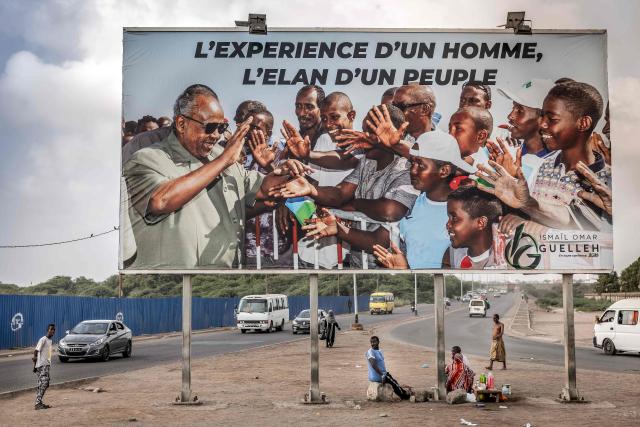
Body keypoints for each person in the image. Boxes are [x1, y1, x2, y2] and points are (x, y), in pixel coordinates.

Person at [123, 84, 309, 269]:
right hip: (170, 286)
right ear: (181, 124)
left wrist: (284, 172)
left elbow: (262, 187)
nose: (215, 135)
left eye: (221, 128)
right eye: (210, 127)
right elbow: (161, 201)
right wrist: (223, 161)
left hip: (224, 280)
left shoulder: (223, 157)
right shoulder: (146, 159)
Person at [476, 81, 611, 232]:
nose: (542, 125)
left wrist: (530, 222)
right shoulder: (542, 166)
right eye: (543, 117)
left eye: (552, 119)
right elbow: (542, 214)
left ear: (583, 123)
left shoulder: (607, 180)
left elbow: (583, 231)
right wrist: (524, 208)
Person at [373, 131, 475, 269]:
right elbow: (379, 239)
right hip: (415, 287)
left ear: (444, 171)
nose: (413, 171)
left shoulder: (466, 210)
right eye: (412, 163)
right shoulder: (413, 202)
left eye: (421, 165)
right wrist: (339, 229)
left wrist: (408, 273)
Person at [441, 186, 505, 269]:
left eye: (454, 218)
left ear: (481, 223)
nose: (448, 224)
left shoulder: (507, 253)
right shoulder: (451, 254)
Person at [496, 78, 555, 158]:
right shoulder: (508, 151)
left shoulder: (562, 162)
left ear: (543, 119)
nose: (510, 116)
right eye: (513, 108)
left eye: (519, 111)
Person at [33, 324, 55, 410]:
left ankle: (39, 402)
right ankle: (38, 403)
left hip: (46, 365)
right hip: (41, 366)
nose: (52, 331)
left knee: (42, 384)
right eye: (51, 329)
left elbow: (48, 355)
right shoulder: (43, 339)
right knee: (45, 383)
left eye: (54, 330)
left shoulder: (50, 341)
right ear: (47, 330)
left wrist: (49, 364)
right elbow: (35, 352)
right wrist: (34, 366)